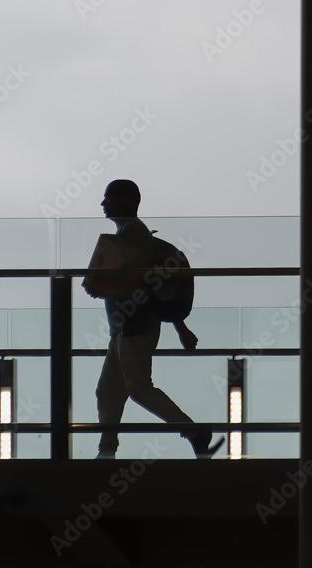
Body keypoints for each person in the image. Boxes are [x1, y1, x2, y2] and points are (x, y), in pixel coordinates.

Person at [83, 179, 224, 460]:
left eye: (108, 198)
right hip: (125, 325)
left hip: (135, 324)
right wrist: (180, 326)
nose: (103, 204)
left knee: (138, 388)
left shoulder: (133, 232)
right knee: (108, 391)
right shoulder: (130, 232)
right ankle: (106, 451)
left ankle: (194, 432)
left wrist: (102, 286)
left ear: (124, 201)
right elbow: (154, 281)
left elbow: (139, 278)